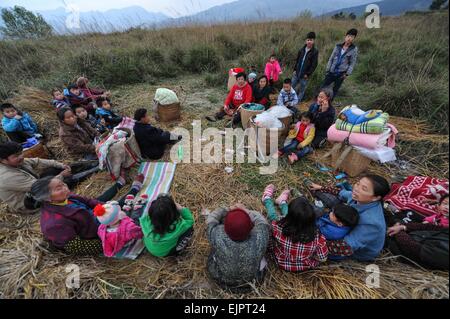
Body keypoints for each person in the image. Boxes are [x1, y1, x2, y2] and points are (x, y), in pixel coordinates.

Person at [30, 173, 144, 255]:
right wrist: (110, 241)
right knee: (129, 218)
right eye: (59, 188)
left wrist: (107, 208)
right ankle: (134, 189)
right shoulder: (54, 224)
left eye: (63, 184)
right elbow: (77, 246)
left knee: (110, 204)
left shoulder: (65, 197)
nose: (65, 187)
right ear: (47, 198)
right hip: (97, 231)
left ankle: (118, 185)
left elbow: (89, 201)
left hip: (92, 216)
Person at [308, 174, 390, 261]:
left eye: (364, 189)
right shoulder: (359, 198)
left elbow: (346, 247)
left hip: (356, 251)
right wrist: (321, 188)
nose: (356, 189)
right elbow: (341, 193)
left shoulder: (372, 222)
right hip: (346, 228)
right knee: (329, 199)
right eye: (358, 184)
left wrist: (310, 244)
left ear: (375, 198)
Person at [0, 141, 98, 214]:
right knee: (60, 185)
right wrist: (61, 176)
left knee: (52, 169)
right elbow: (41, 187)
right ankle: (95, 170)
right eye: (16, 156)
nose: (21, 156)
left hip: (34, 185)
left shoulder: (18, 161)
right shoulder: (7, 176)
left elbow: (38, 161)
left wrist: (61, 165)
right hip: (29, 202)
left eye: (21, 153)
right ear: (3, 160)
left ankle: (93, 164)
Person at [261, 185, 328, 272]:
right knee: (296, 217)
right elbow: (323, 258)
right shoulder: (318, 238)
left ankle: (267, 199)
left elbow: (269, 244)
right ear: (312, 219)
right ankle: (282, 202)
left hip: (280, 261)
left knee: (273, 216)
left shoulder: (277, 227)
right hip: (304, 267)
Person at [206, 204, 270, 290]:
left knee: (214, 251)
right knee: (262, 253)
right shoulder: (260, 236)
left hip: (221, 279)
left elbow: (211, 219)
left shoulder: (217, 234)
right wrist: (246, 210)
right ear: (251, 227)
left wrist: (227, 209)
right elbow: (262, 221)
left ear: (224, 228)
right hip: (253, 280)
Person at [321, 28, 359, 99]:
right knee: (323, 86)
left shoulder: (354, 49)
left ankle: (328, 103)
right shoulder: (338, 46)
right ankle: (318, 100)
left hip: (341, 74)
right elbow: (331, 58)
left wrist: (347, 74)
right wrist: (328, 69)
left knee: (335, 90)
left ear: (354, 38)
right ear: (345, 36)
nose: (349, 38)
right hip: (331, 71)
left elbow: (352, 63)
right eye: (348, 36)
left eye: (352, 37)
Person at [292, 31, 319, 102]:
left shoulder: (315, 52)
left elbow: (314, 65)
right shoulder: (301, 50)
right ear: (306, 41)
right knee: (292, 86)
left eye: (311, 40)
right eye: (308, 40)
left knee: (302, 89)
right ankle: (290, 98)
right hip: (297, 72)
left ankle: (297, 101)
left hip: (304, 75)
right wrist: (294, 70)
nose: (309, 42)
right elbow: (297, 61)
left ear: (313, 41)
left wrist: (308, 74)